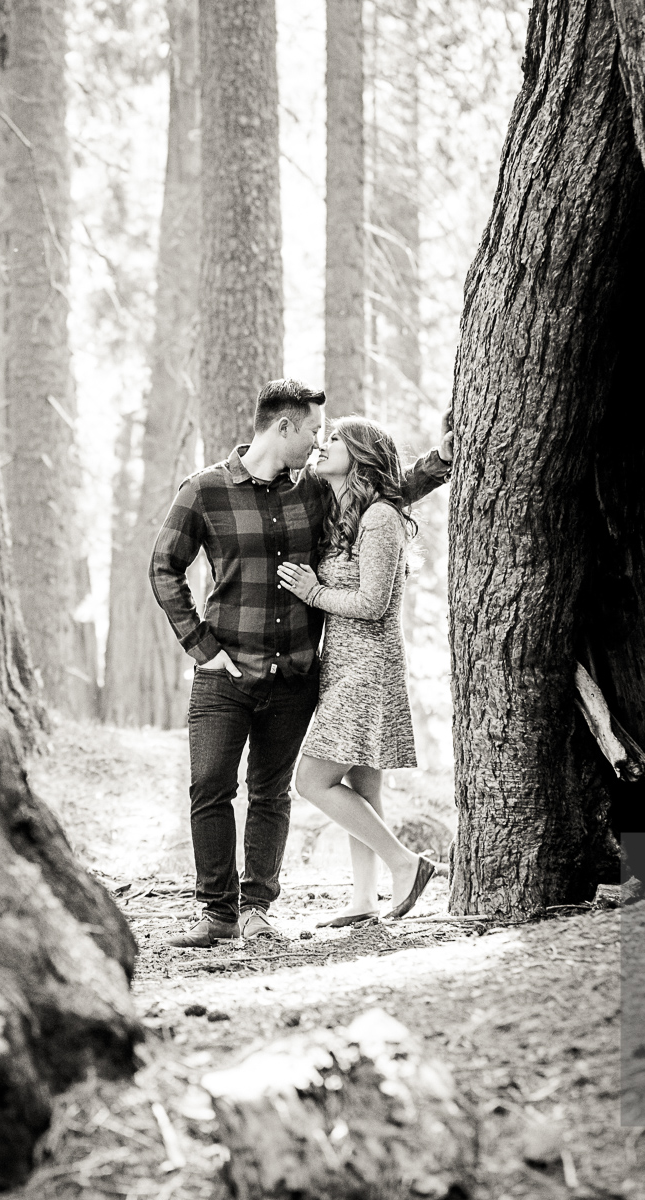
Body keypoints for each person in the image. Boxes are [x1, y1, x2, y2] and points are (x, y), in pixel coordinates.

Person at [149, 382, 450, 948]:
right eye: (314, 429)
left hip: (295, 674)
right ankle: (217, 914)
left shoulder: (314, 490)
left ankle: (257, 910)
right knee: (210, 787)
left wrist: (440, 464)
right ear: (282, 427)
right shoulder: (205, 490)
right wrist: (201, 648)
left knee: (271, 792)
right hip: (225, 673)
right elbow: (164, 568)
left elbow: (379, 490)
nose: (318, 441)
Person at [277, 415, 442, 927]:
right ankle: (364, 898)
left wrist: (313, 592)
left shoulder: (381, 519)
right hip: (343, 665)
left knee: (312, 780)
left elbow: (372, 602)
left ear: (363, 456)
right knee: (362, 788)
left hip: (368, 667)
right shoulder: (352, 513)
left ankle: (406, 863)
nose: (322, 447)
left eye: (335, 441)